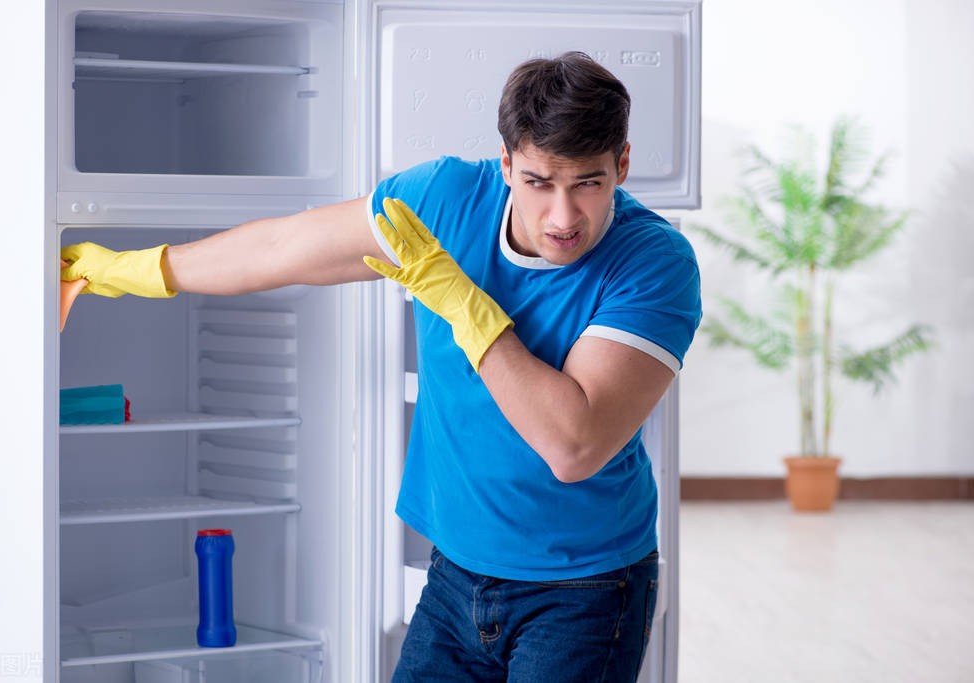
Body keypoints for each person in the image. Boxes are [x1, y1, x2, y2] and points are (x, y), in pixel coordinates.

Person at [62, 51, 701, 682]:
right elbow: (283, 248)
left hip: (585, 590)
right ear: (506, 164)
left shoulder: (654, 262)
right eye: (539, 182)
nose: (564, 217)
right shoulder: (444, 199)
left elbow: (573, 444)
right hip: (456, 571)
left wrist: (465, 308)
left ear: (621, 163)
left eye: (587, 183)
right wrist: (129, 271)